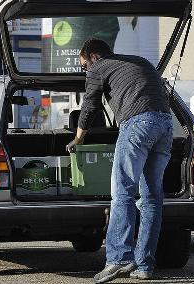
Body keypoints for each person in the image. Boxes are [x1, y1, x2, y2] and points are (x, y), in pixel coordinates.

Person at [66, 38, 173, 283]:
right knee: (152, 199)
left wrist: (79, 138)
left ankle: (118, 259)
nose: (85, 70)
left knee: (123, 191)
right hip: (166, 126)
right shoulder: (141, 62)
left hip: (137, 125)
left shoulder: (98, 68)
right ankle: (144, 265)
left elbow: (90, 105)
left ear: (93, 57)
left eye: (83, 65)